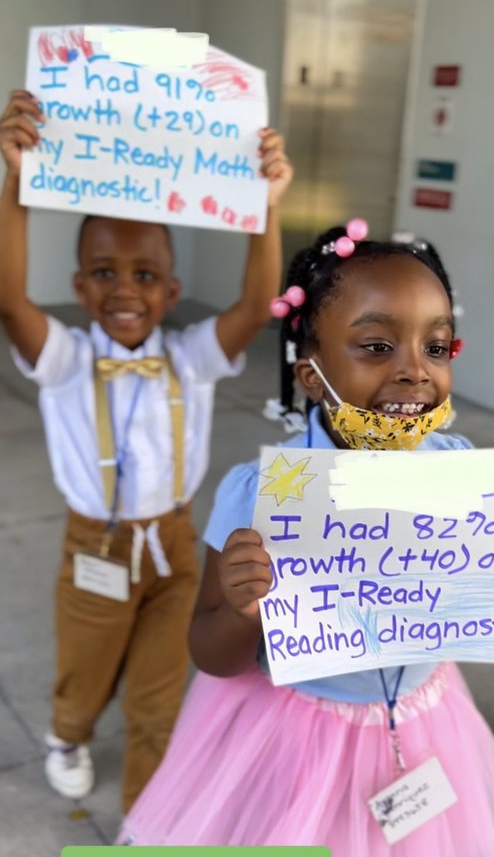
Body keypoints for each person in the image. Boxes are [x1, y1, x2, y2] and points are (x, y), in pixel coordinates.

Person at [117, 219, 494, 857]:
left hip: (416, 731)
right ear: (308, 364)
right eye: (376, 344)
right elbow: (210, 651)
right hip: (292, 742)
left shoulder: (465, 471)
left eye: (437, 343)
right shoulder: (261, 492)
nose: (413, 370)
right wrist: (244, 607)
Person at [0, 88, 293, 812]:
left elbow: (257, 309)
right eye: (104, 272)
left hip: (173, 549)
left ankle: (146, 822)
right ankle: (69, 732)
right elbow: (9, 302)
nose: (123, 289)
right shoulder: (65, 358)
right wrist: (16, 183)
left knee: (161, 692)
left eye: (143, 276)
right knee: (85, 668)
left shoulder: (189, 357)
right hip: (94, 545)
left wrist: (266, 203)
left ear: (171, 290)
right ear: (77, 285)